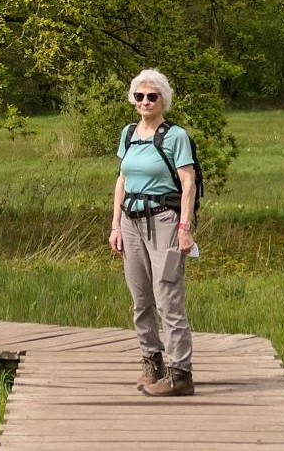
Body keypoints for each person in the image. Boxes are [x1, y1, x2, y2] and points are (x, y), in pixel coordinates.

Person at [108, 67, 198, 397]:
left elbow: (187, 184)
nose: (145, 101)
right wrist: (115, 224)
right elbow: (122, 180)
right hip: (131, 221)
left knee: (168, 296)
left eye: (152, 96)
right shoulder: (128, 133)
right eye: (139, 96)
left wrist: (184, 228)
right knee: (140, 297)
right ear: (133, 100)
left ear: (163, 100)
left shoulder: (176, 137)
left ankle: (180, 375)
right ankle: (152, 363)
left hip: (163, 220)